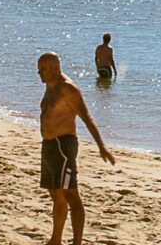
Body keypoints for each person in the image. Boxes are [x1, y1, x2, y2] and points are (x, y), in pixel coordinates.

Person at [36, 51, 113, 245]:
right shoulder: (49, 86)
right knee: (55, 193)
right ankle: (56, 239)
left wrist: (101, 146)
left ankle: (77, 242)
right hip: (49, 146)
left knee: (71, 193)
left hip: (63, 146)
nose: (39, 72)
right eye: (39, 68)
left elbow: (87, 117)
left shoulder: (68, 89)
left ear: (55, 68)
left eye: (43, 68)